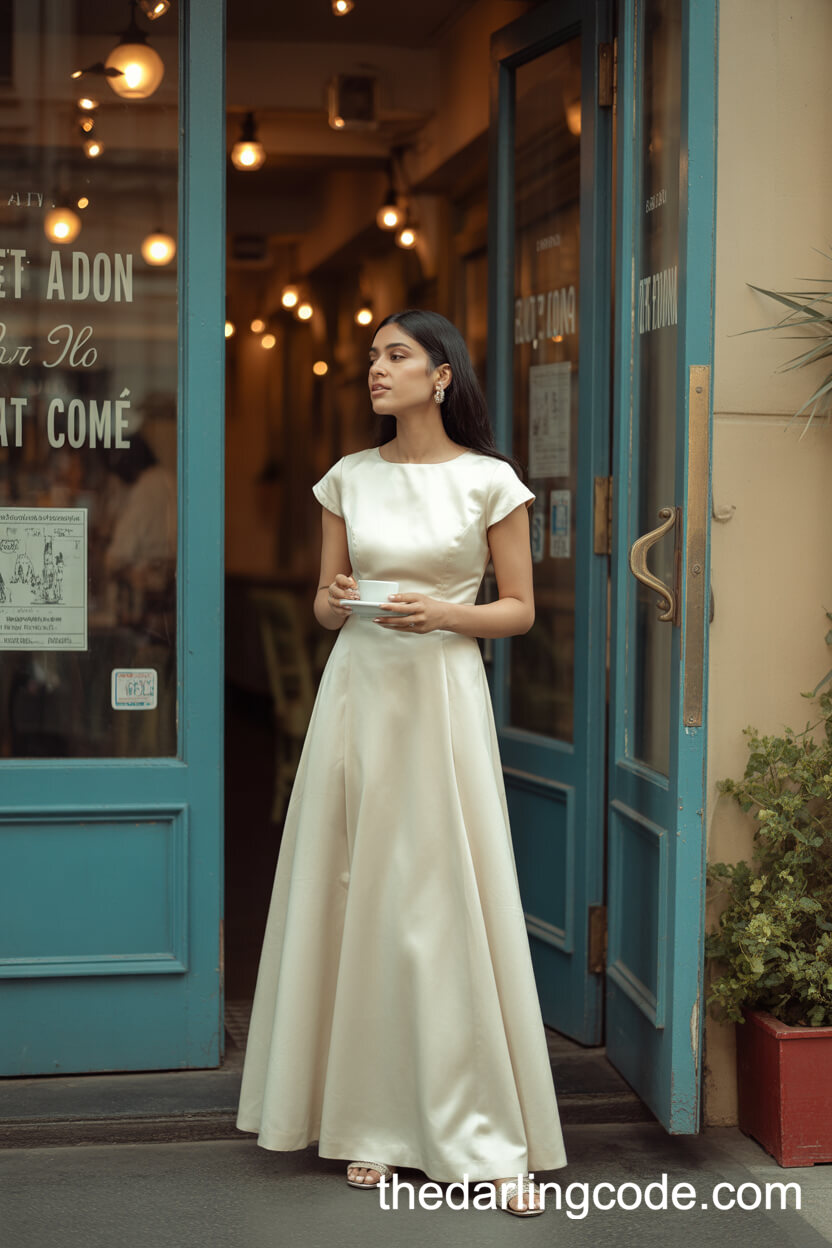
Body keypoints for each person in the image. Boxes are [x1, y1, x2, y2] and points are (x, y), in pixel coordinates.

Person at [236, 308, 567, 1216]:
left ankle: (485, 1134)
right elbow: (323, 607)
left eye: (395, 355)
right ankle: (368, 1120)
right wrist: (338, 600)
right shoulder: (348, 478)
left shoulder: (490, 482)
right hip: (359, 699)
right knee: (362, 893)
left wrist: (447, 614)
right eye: (372, 356)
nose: (375, 369)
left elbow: (520, 611)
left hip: (441, 698)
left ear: (442, 374)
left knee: (445, 895)